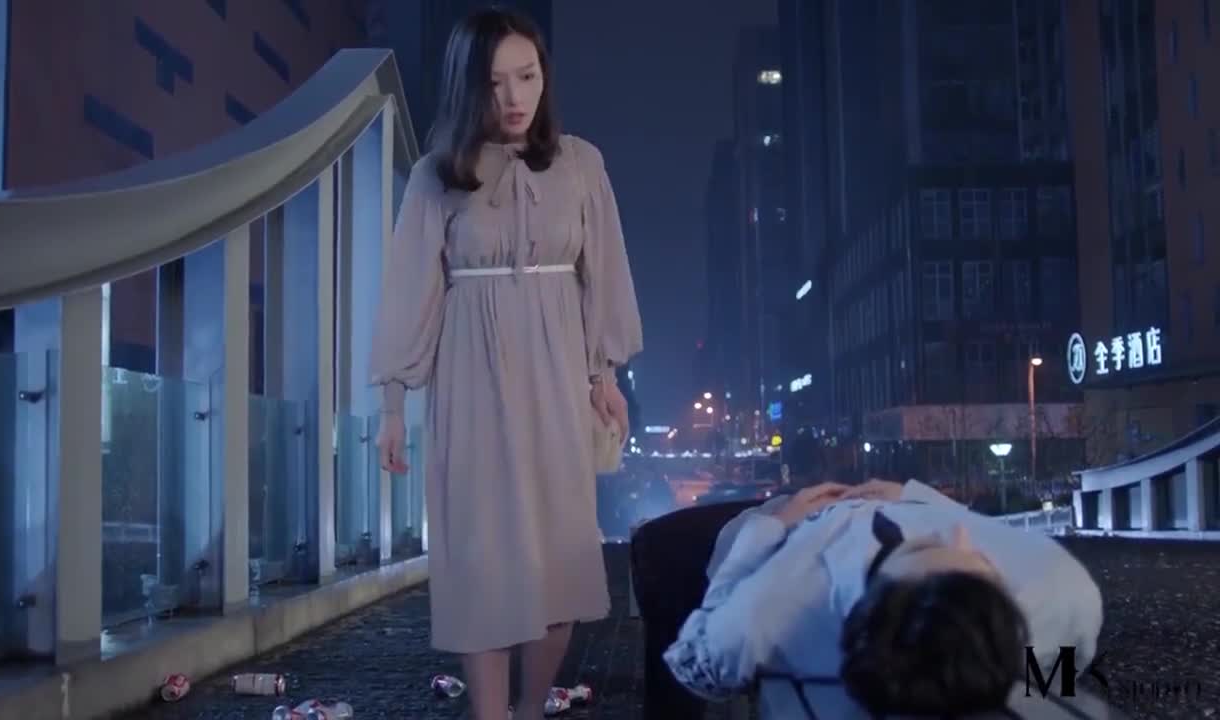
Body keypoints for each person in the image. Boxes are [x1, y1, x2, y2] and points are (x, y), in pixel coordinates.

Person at [367, 8, 642, 720]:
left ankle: (529, 708)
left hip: (557, 384)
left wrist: (605, 375)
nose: (515, 97)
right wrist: (393, 405)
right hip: (470, 384)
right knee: (483, 566)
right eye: (495, 83)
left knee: (560, 567)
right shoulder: (435, 176)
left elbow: (603, 276)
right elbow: (409, 293)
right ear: (468, 88)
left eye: (527, 76)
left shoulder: (581, 164)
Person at [634, 479, 1105, 719]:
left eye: (919, 549)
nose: (959, 534)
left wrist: (770, 527)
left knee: (659, 545)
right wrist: (919, 497)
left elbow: (692, 664)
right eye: (978, 565)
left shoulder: (780, 600)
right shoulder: (1059, 591)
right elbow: (1054, 690)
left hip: (796, 519)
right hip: (894, 495)